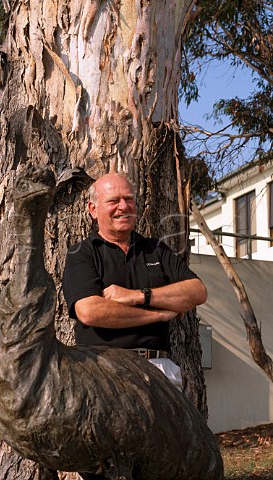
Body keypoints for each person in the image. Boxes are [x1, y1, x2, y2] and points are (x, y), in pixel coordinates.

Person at [62, 172, 207, 479]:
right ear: (93, 209)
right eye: (113, 200)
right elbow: (90, 311)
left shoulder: (156, 250)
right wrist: (158, 313)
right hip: (103, 371)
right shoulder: (82, 254)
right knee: (104, 464)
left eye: (129, 199)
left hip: (159, 371)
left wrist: (136, 296)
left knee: (164, 462)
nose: (123, 207)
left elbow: (196, 292)